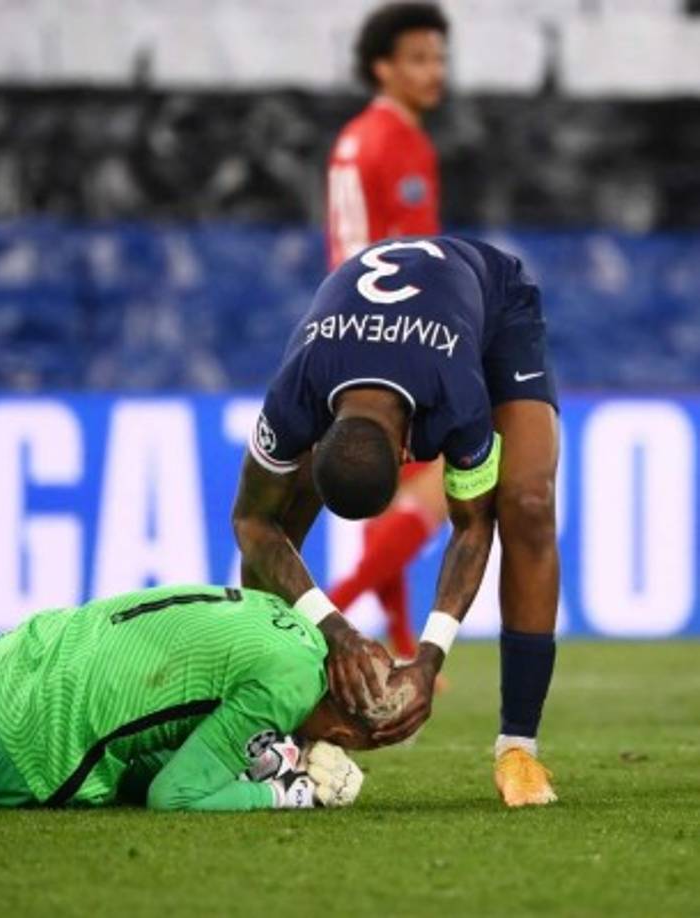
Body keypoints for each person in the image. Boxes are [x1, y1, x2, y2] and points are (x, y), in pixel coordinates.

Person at [232, 235, 560, 807]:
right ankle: (273, 720)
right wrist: (335, 632)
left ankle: (518, 750)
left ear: (411, 446)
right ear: (318, 435)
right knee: (278, 519)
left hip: (492, 301)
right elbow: (251, 522)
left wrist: (428, 659)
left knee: (527, 502)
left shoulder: (455, 398)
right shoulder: (295, 393)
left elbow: (471, 526)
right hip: (375, 337)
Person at [0, 584, 375, 811]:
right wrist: (286, 793)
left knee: (148, 719)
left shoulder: (285, 616)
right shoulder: (288, 687)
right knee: (141, 773)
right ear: (339, 732)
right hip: (12, 757)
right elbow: (173, 796)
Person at [326, 2, 451, 661]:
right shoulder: (382, 143)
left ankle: (400, 641)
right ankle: (330, 616)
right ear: (384, 67)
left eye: (439, 57)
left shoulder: (383, 139)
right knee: (444, 484)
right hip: (385, 337)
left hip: (376, 331)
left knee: (394, 495)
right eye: (419, 58)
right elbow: (377, 256)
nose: (436, 71)